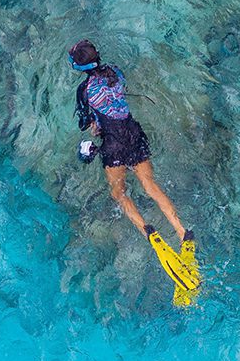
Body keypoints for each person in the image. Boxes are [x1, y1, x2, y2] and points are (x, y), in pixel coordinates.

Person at [68, 40, 198, 298]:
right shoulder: (115, 71)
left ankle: (150, 234)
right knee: (150, 186)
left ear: (78, 67)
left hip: (114, 144)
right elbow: (116, 98)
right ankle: (183, 233)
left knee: (119, 194)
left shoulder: (84, 90)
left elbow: (86, 123)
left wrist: (94, 127)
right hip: (133, 133)